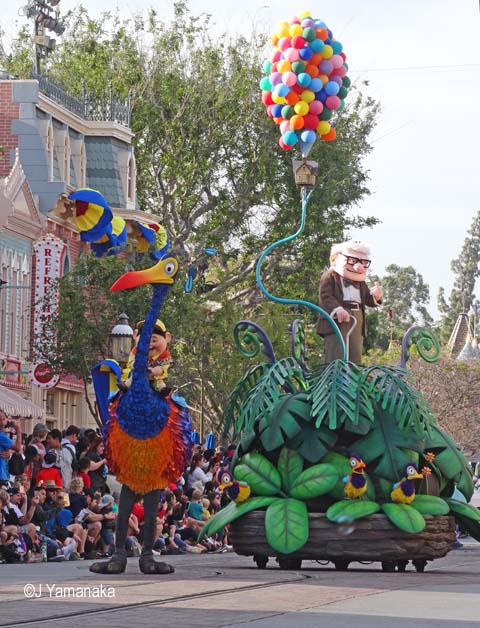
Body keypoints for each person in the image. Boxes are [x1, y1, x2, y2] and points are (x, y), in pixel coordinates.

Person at [317, 240, 383, 364]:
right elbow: (325, 297)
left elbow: (368, 299)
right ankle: (335, 381)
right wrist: (337, 309)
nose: (358, 267)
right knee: (336, 354)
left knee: (355, 354)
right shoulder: (329, 277)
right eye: (352, 260)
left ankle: (354, 381)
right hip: (337, 320)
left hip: (357, 318)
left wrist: (377, 296)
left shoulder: (360, 282)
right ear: (334, 260)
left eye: (363, 263)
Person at [123, 319, 172, 392]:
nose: (149, 345)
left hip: (153, 378)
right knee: (132, 377)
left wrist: (154, 371)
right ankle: (126, 385)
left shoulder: (164, 355)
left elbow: (163, 368)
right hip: (137, 377)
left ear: (167, 338)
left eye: (154, 341)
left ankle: (162, 389)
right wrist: (136, 365)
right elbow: (131, 362)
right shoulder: (135, 352)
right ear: (135, 335)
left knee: (159, 381)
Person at [0, 411, 23, 483]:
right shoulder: (1, 436)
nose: (2, 423)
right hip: (2, 475)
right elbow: (18, 448)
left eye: (3, 419)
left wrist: (9, 453)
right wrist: (18, 430)